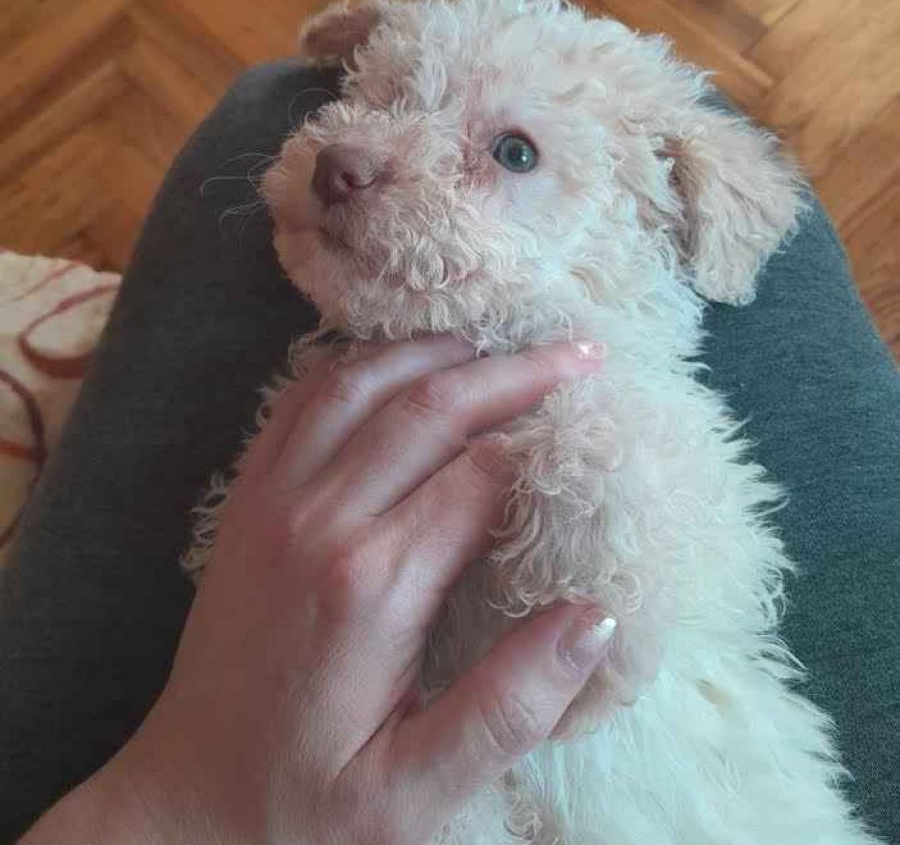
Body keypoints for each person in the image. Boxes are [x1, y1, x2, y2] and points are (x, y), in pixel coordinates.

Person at [1, 63, 898, 844]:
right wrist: (183, 805)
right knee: (271, 97)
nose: (349, 154)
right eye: (383, 97)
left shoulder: (607, 420)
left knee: (268, 96)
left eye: (512, 153)